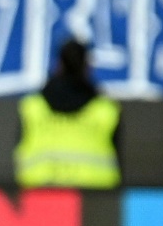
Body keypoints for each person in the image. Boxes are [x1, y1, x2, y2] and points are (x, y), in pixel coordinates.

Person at [14, 38, 122, 188]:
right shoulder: (106, 111)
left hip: (40, 197)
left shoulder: (32, 107)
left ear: (58, 64)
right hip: (96, 200)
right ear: (87, 67)